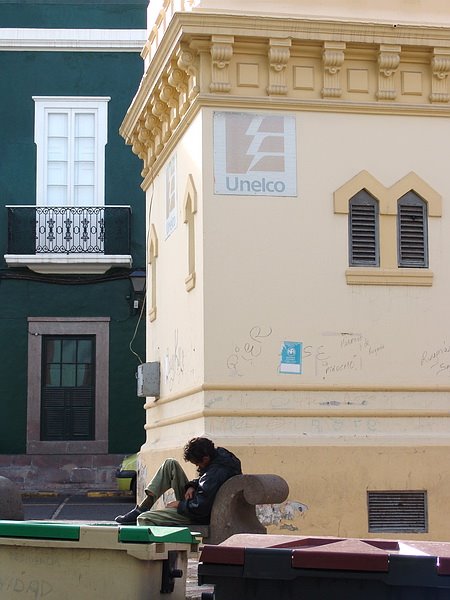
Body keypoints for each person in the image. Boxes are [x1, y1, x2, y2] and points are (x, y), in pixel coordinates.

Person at [115, 437, 242, 526]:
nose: (198, 467)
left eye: (198, 463)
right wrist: (192, 485)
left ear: (206, 458)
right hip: (197, 502)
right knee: (170, 464)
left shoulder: (216, 473)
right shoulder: (219, 457)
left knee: (145, 519)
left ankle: (161, 558)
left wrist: (179, 504)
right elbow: (206, 481)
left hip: (197, 514)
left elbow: (201, 507)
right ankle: (143, 507)